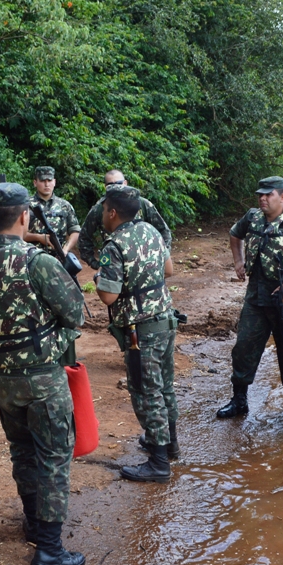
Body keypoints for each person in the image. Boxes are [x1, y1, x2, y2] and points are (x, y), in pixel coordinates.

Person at [0, 182, 86, 565]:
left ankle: (33, 522)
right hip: (43, 380)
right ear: (25, 216)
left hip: (3, 380)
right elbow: (76, 315)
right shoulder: (38, 261)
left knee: (23, 451)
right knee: (53, 458)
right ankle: (49, 551)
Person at [219, 176, 283, 419]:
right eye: (260, 194)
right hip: (256, 299)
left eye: (269, 194)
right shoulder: (253, 217)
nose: (263, 198)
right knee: (244, 347)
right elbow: (235, 235)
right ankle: (239, 401)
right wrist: (238, 261)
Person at [94, 186, 178, 483]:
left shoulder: (113, 245)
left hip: (140, 331)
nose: (103, 214)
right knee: (165, 387)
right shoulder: (152, 231)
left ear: (113, 212)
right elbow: (168, 270)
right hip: (165, 322)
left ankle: (158, 463)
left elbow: (107, 297)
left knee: (147, 393)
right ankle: (171, 445)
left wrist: (99, 280)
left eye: (105, 209)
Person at [77, 169, 172, 269]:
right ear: (105, 187)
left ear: (125, 183)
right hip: (112, 261)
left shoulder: (141, 204)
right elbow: (84, 238)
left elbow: (163, 231)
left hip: (141, 261)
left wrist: (162, 256)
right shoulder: (100, 208)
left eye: (118, 183)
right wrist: (95, 264)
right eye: (110, 185)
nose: (116, 187)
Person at [24, 166, 81, 259]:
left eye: (49, 181)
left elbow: (75, 230)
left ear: (54, 182)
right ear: (35, 183)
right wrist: (38, 237)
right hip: (32, 258)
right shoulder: (26, 205)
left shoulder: (65, 205)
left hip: (59, 259)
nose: (46, 184)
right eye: (42, 181)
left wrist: (65, 250)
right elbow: (17, 234)